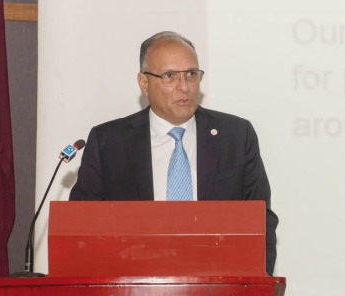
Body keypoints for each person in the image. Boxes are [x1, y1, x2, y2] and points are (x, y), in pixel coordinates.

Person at [69, 31, 279, 275]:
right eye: (170, 76)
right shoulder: (109, 142)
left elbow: (261, 219)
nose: (184, 87)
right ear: (144, 83)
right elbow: (81, 228)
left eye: (191, 74)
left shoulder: (236, 136)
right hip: (132, 293)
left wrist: (257, 288)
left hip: (219, 291)